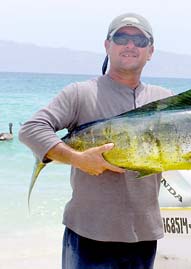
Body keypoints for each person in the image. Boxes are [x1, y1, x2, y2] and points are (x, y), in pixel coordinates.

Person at [19, 13, 173, 269]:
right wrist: (78, 159)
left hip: (144, 236)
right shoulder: (80, 93)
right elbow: (31, 129)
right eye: (121, 37)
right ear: (107, 45)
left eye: (140, 40)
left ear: (151, 51)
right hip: (88, 234)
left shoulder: (165, 101)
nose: (130, 45)